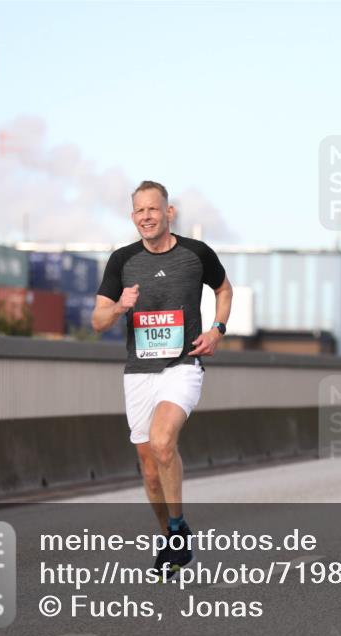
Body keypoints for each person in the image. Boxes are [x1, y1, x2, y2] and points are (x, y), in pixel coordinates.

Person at [91, 180, 233, 579]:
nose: (146, 217)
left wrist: (218, 329)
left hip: (183, 365)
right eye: (139, 211)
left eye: (153, 210)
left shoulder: (195, 254)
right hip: (138, 372)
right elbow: (97, 321)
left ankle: (176, 527)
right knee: (149, 468)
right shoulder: (121, 261)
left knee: (162, 441)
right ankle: (173, 541)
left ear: (168, 213)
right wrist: (120, 306)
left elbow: (223, 289)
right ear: (132, 216)